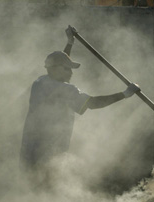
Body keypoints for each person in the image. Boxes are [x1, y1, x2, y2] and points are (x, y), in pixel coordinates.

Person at [20, 26, 140, 170]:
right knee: (46, 187)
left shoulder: (40, 82)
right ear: (56, 69)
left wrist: (70, 43)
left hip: (29, 152)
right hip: (48, 156)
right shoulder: (64, 89)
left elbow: (58, 64)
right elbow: (93, 103)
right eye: (67, 68)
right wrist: (125, 94)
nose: (71, 72)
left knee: (33, 188)